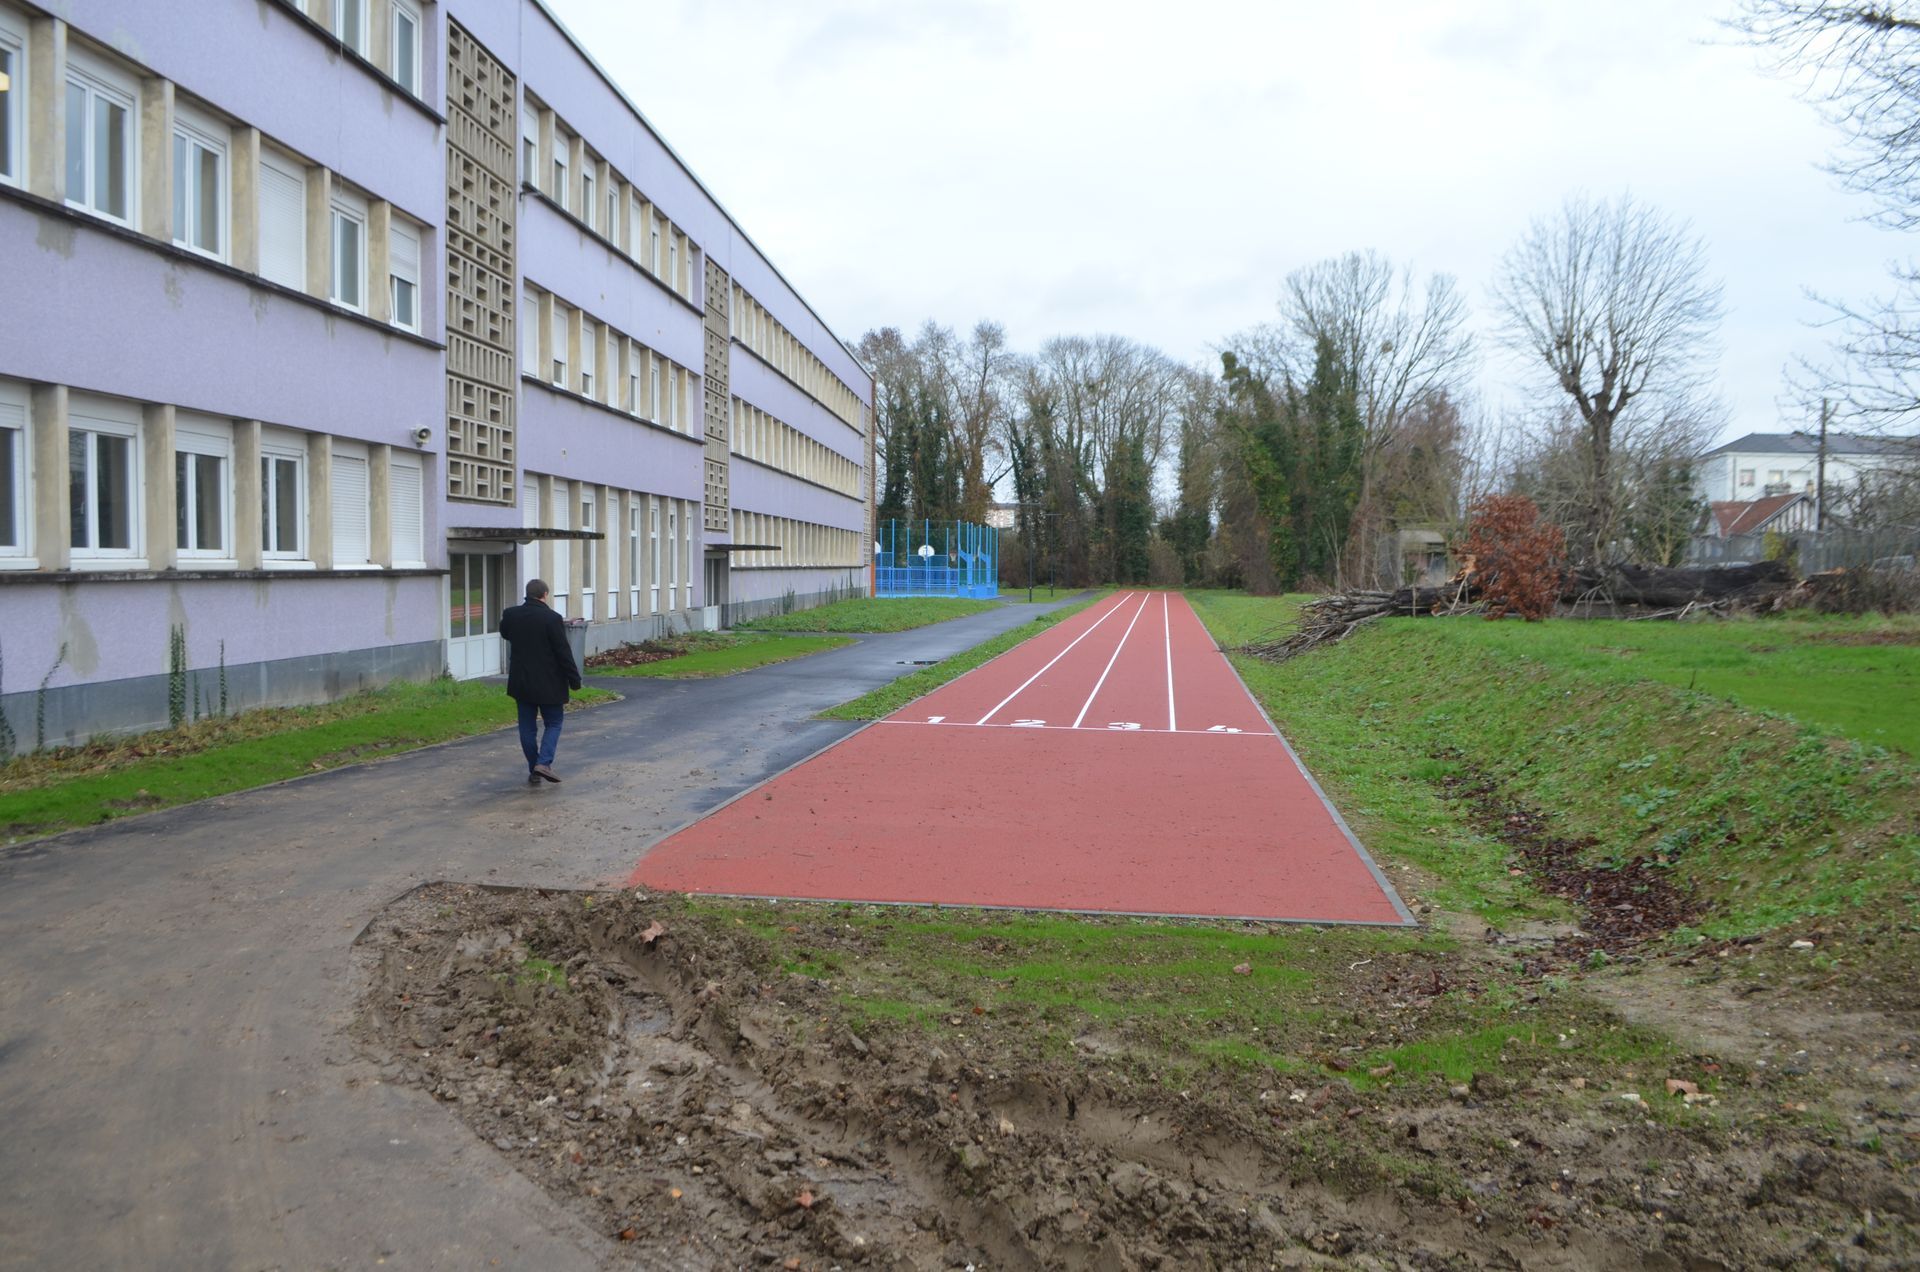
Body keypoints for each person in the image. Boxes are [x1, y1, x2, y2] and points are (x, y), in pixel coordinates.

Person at [499, 578, 581, 784]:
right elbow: (563, 652)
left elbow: (505, 633)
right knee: (553, 723)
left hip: (522, 682)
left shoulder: (511, 615)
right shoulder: (551, 618)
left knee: (527, 727)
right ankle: (543, 764)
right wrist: (574, 679)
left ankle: (534, 768)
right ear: (545, 595)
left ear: (527, 594)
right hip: (550, 683)